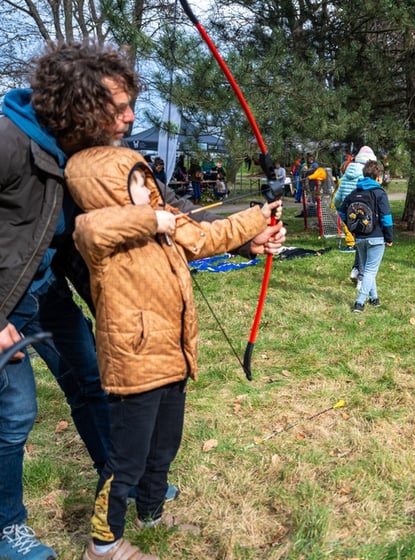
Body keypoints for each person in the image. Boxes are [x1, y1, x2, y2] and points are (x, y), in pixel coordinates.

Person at [0, 41, 285, 560]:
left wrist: (249, 236)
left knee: (89, 381)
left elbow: (170, 212)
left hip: (48, 290)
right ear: (79, 104)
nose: (131, 116)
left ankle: (133, 490)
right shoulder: (10, 139)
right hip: (4, 298)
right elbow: (98, 227)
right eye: (119, 106)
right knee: (15, 412)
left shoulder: (96, 154)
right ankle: (9, 527)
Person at [65, 145, 281, 560]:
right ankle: (103, 543)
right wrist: (150, 217)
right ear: (106, 192)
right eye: (137, 185)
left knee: (165, 446)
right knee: (127, 459)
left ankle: (151, 512)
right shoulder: (100, 241)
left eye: (148, 184)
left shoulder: (163, 229)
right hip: (135, 363)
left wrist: (259, 218)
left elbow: (206, 237)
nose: (150, 192)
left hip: (172, 355)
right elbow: (91, 230)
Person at [338, 160, 393, 313]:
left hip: (359, 237)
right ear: (378, 177)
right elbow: (386, 218)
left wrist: (351, 228)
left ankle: (374, 299)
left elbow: (342, 212)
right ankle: (359, 302)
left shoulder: (354, 193)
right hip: (376, 238)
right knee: (370, 270)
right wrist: (389, 238)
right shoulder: (380, 193)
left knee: (369, 269)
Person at [334, 146, 377, 281]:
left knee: (359, 242)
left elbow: (338, 198)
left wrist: (343, 213)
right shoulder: (365, 175)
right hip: (363, 213)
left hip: (348, 214)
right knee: (364, 244)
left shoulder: (346, 173)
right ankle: (361, 277)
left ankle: (355, 269)